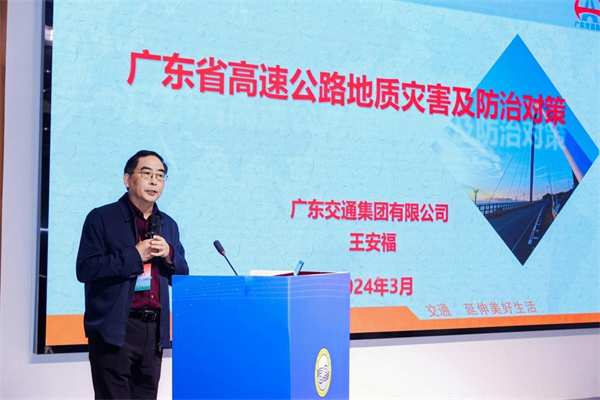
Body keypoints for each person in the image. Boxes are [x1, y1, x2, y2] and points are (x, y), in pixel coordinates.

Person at [76, 150, 189, 399]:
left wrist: (169, 254)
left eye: (160, 176)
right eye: (146, 173)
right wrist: (134, 256)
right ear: (127, 179)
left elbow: (182, 276)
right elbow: (86, 269)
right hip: (116, 329)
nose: (154, 181)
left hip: (154, 331)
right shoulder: (101, 218)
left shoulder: (168, 224)